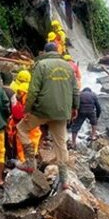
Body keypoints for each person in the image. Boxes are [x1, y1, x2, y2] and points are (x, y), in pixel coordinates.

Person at [16, 42, 79, 191]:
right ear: (58, 51)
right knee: (61, 144)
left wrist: (27, 109)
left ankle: (30, 164)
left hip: (42, 110)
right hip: (62, 112)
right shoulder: (69, 67)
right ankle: (64, 181)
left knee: (21, 128)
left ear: (44, 52)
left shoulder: (41, 65)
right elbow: (75, 90)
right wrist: (75, 108)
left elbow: (33, 90)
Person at [7, 78, 42, 164]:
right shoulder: (34, 101)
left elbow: (18, 115)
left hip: (25, 129)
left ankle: (23, 161)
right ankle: (29, 159)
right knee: (32, 143)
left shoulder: (24, 103)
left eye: (19, 93)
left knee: (22, 145)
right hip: (33, 128)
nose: (18, 95)